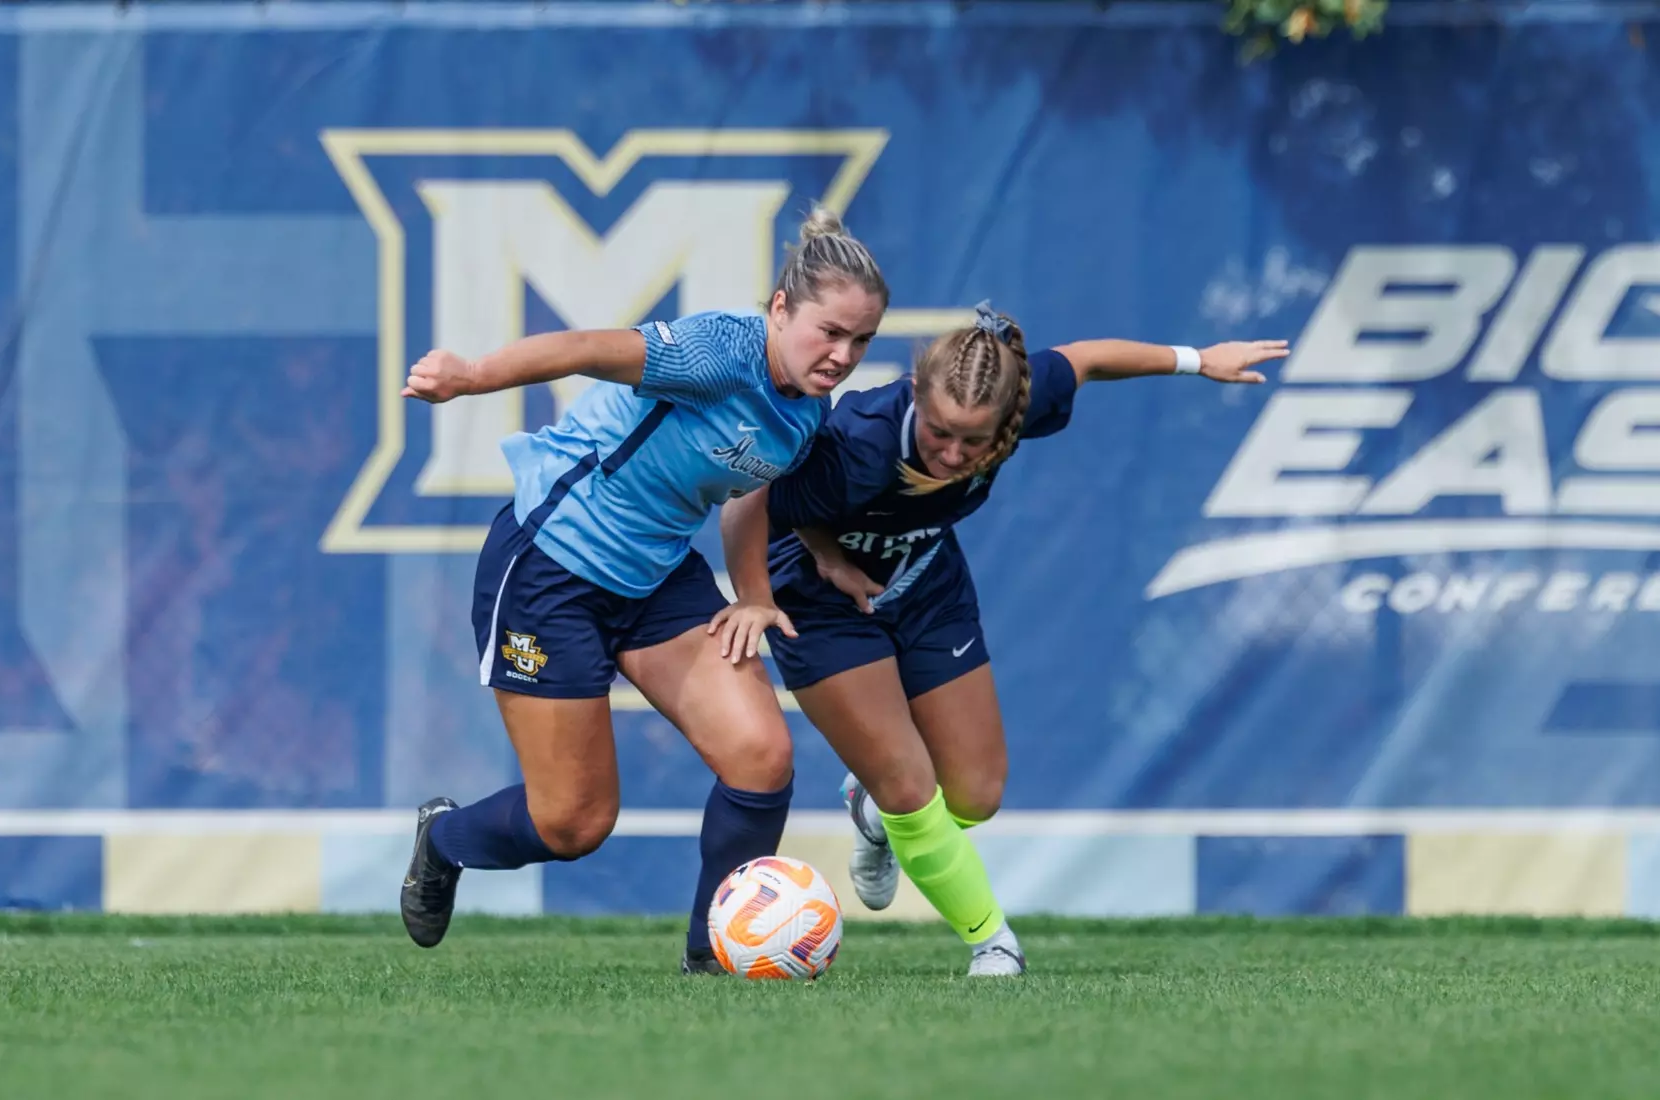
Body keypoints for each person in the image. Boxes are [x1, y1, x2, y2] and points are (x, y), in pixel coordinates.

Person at [713, 303, 1286, 976]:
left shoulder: (1018, 399)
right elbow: (751, 502)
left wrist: (1197, 359)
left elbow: (1087, 357)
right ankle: (992, 942)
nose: (954, 455)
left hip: (926, 580)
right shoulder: (858, 441)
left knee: (974, 795)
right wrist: (801, 569)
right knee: (908, 786)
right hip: (819, 593)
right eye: (939, 435)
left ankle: (871, 815)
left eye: (974, 442)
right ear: (918, 398)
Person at [398, 208, 888, 974]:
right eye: (829, 332)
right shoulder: (719, 351)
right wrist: (471, 377)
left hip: (657, 577)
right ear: (781, 308)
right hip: (550, 569)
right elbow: (582, 348)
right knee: (573, 824)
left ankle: (714, 959)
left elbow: (748, 491)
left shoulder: (804, 407)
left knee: (761, 757)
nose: (843, 355)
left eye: (860, 341)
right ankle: (445, 840)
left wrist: (754, 592)